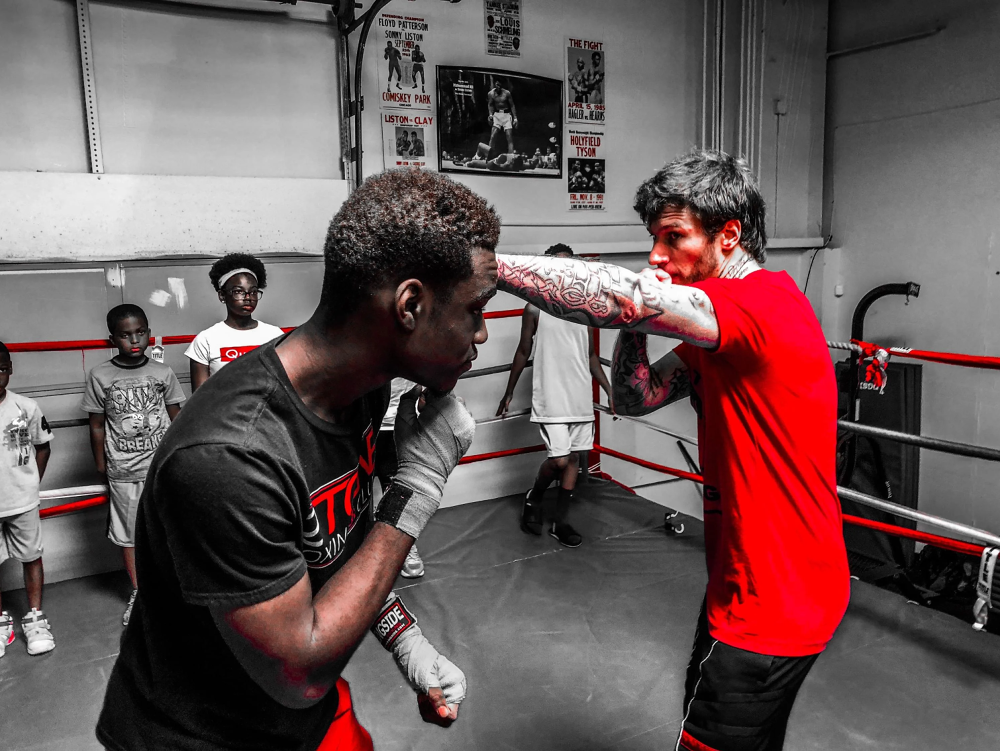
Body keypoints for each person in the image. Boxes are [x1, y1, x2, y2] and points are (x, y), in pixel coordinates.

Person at [95, 169, 501, 751]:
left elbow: (335, 546)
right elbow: (298, 673)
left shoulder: (363, 389)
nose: (481, 334)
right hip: (201, 736)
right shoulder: (230, 456)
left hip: (299, 714)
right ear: (410, 305)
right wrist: (419, 483)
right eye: (476, 310)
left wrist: (406, 640)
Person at [494, 150, 850, 751]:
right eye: (654, 238)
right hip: (748, 582)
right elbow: (635, 397)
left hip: (774, 599)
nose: (657, 255)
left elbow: (617, 296)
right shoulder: (722, 333)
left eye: (673, 237)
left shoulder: (762, 305)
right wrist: (643, 324)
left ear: (728, 235)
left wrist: (485, 266)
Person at [496, 244, 613, 548]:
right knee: (559, 459)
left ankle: (560, 522)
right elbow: (523, 350)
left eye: (567, 265)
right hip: (550, 394)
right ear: (548, 268)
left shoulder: (584, 309)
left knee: (573, 458)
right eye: (557, 265)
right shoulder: (534, 307)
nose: (563, 270)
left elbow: (590, 356)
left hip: (579, 395)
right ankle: (534, 496)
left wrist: (608, 389)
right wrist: (509, 392)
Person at [83, 304, 185, 626]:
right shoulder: (100, 375)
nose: (134, 339)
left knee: (170, 530)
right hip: (124, 471)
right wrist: (102, 463)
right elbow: (96, 425)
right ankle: (141, 594)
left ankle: (174, 589)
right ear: (112, 339)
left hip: (162, 469)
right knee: (130, 536)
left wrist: (183, 459)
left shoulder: (162, 372)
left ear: (149, 333)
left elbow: (178, 418)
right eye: (125, 335)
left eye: (140, 332)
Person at [0, 341, 55, 658]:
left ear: (9, 369)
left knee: (32, 557)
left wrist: (33, 483)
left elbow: (43, 446)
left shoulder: (25, 407)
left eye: (1, 368)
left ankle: (35, 618)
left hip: (22, 502)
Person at [185, 253, 284, 391]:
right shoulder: (206, 340)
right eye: (238, 291)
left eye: (253, 292)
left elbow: (285, 385)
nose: (248, 297)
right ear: (222, 295)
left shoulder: (274, 335)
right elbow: (200, 397)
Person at [374, 377, 424, 579]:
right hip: (359, 421)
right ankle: (358, 549)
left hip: (397, 418)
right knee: (355, 489)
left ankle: (403, 546)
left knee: (396, 486)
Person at [487, 77, 518, 156]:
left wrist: (515, 118)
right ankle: (489, 156)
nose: (498, 86)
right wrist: (490, 115)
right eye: (497, 85)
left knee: (509, 136)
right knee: (493, 135)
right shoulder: (491, 94)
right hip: (497, 115)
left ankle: (511, 157)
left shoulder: (507, 93)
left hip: (506, 115)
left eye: (500, 85)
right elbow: (490, 105)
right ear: (495, 84)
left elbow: (512, 105)